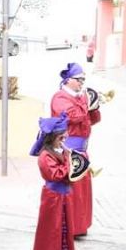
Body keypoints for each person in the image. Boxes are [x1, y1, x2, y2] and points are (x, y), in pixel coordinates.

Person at [50, 63, 100, 238]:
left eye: (83, 80)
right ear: (68, 80)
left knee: (82, 193)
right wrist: (86, 103)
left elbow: (92, 120)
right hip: (68, 152)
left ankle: (80, 226)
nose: (81, 83)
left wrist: (95, 105)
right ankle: (70, 228)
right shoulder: (59, 98)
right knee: (72, 192)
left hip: (81, 151)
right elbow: (74, 116)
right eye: (79, 80)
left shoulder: (79, 98)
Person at [27, 114, 77, 250]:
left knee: (60, 228)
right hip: (51, 196)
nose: (66, 137)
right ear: (53, 137)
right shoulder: (45, 156)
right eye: (62, 135)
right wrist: (69, 160)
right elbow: (56, 175)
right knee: (47, 229)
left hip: (62, 195)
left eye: (66, 134)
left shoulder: (60, 150)